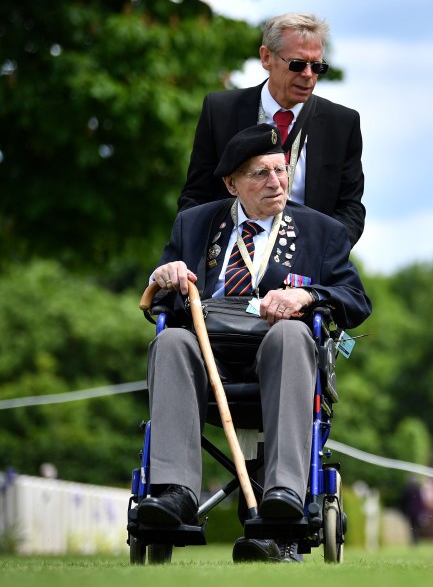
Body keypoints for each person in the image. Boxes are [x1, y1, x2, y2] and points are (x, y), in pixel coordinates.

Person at [137, 123, 372, 563]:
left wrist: (307, 295)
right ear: (232, 183)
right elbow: (164, 292)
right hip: (208, 356)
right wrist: (162, 275)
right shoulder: (195, 223)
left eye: (281, 171)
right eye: (260, 174)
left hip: (282, 358)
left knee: (290, 332)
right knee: (169, 342)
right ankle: (174, 493)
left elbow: (356, 300)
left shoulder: (322, 232)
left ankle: (283, 492)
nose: (276, 182)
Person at [178, 12, 366, 247]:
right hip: (230, 258)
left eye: (317, 66)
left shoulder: (342, 123)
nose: (308, 75)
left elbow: (350, 209)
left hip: (307, 262)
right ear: (266, 57)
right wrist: (194, 254)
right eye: (297, 64)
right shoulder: (220, 111)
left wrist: (323, 256)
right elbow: (196, 196)